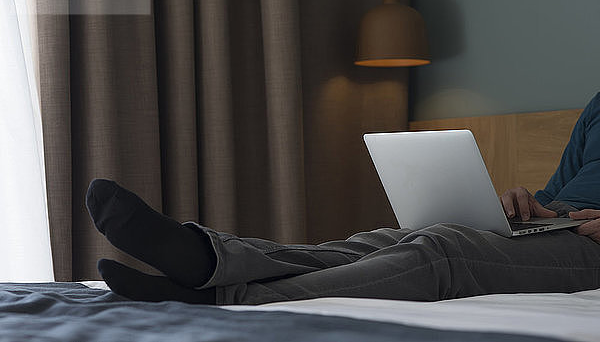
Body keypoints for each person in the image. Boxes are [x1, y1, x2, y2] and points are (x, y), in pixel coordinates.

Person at [87, 92, 600, 305]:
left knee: (442, 250)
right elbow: (558, 192)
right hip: (552, 225)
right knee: (383, 241)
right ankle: (210, 258)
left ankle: (227, 297)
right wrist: (529, 202)